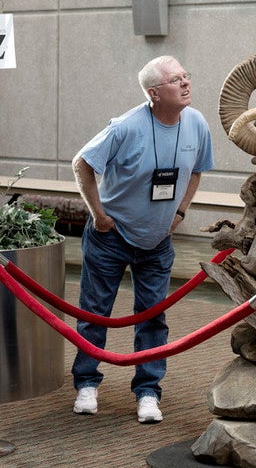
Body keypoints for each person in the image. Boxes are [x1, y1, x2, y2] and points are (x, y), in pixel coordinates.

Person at [71, 56, 214, 423]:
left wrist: (180, 212)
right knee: (94, 314)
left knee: (153, 317)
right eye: (175, 80)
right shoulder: (125, 127)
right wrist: (98, 216)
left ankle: (148, 392)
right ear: (154, 93)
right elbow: (81, 164)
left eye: (186, 76)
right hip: (111, 236)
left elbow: (196, 169)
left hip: (157, 241)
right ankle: (87, 383)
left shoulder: (196, 123)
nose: (185, 84)